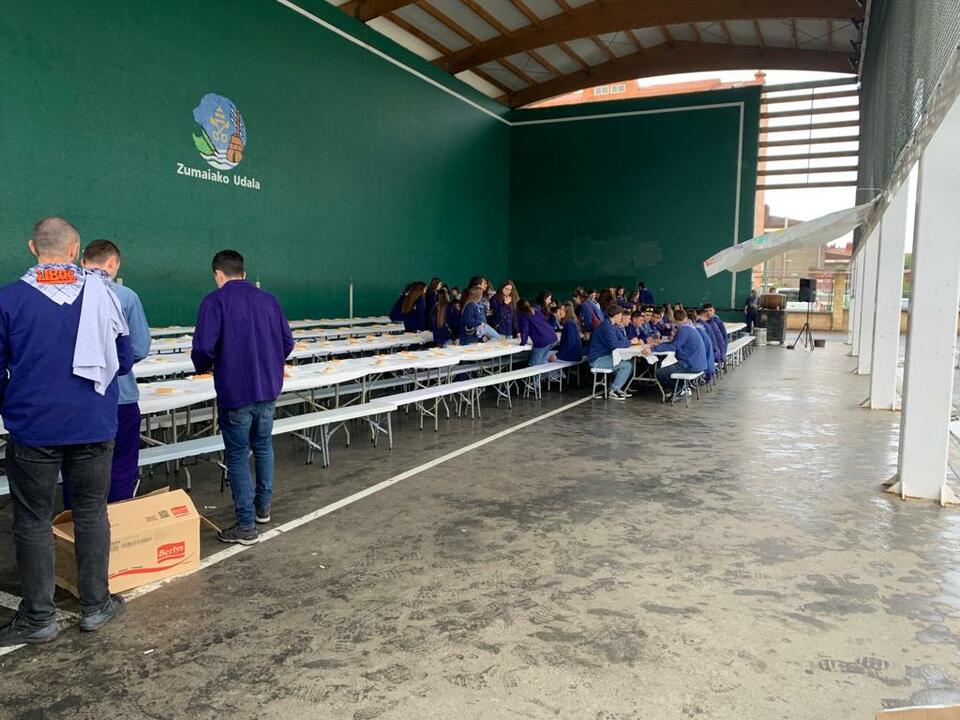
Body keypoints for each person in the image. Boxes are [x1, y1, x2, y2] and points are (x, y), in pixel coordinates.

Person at [0, 218, 133, 646]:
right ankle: (96, 605)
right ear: (75, 249)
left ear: (31, 247)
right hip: (93, 422)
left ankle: (38, 617)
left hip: (33, 426)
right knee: (91, 512)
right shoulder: (103, 295)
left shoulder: (8, 299)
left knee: (32, 519)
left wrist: (12, 403)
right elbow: (123, 359)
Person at [192, 250, 294, 545]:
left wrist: (206, 366)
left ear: (218, 274)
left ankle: (246, 525)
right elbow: (287, 342)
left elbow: (203, 348)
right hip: (268, 390)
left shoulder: (215, 301)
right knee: (263, 446)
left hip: (235, 391)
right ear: (244, 273)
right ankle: (263, 508)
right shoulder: (269, 300)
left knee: (237, 455)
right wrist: (270, 363)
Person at [64, 239, 151, 506]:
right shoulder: (125, 296)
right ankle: (117, 520)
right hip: (120, 395)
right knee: (121, 464)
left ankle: (73, 523)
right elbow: (139, 347)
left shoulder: (64, 293)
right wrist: (116, 363)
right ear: (114, 264)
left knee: (75, 467)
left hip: (74, 396)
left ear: (82, 261)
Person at [647, 309, 709, 391]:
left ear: (674, 320)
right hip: (697, 363)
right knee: (668, 369)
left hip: (690, 365)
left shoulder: (684, 330)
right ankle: (681, 388)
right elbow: (675, 343)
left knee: (660, 373)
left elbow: (674, 346)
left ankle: (678, 390)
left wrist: (653, 349)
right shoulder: (690, 327)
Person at [587, 304, 637, 400]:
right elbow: (614, 345)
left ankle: (616, 388)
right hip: (597, 360)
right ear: (616, 315)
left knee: (628, 363)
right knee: (627, 365)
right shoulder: (607, 327)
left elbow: (619, 341)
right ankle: (613, 390)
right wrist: (630, 342)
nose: (621, 317)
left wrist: (627, 342)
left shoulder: (610, 325)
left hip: (602, 357)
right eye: (621, 315)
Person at [517, 298, 557, 366]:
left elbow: (524, 330)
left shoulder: (522, 315)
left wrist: (523, 342)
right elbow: (544, 320)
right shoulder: (535, 310)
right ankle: (546, 372)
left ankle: (545, 372)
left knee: (533, 365)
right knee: (542, 361)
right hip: (553, 337)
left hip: (543, 341)